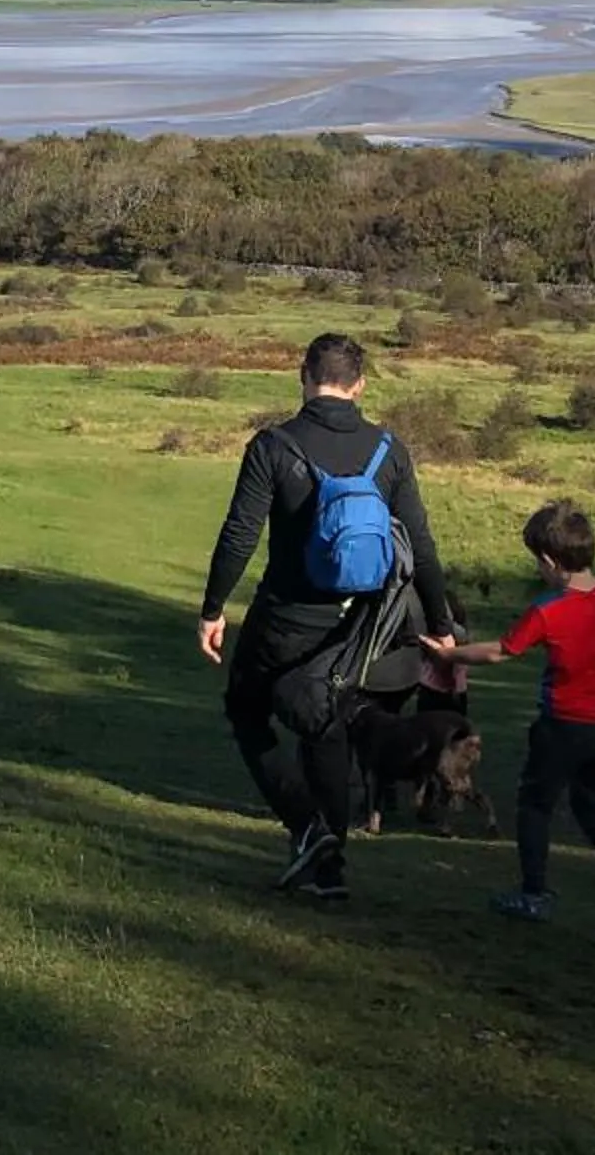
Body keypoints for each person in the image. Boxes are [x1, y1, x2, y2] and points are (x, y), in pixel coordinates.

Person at [198, 332, 453, 905]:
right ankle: (329, 868)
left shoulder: (274, 446)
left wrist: (213, 608)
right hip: (360, 624)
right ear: (359, 384)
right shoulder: (390, 450)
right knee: (325, 725)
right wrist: (440, 625)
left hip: (285, 614)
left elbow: (240, 536)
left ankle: (309, 829)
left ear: (304, 375)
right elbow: (423, 549)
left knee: (247, 711)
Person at [433, 500, 595, 939]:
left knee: (536, 804)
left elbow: (501, 651)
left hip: (563, 727)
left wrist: (449, 654)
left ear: (549, 561)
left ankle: (534, 893)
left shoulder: (550, 608)